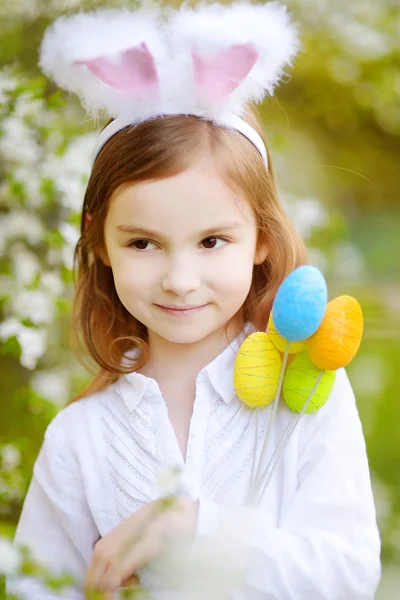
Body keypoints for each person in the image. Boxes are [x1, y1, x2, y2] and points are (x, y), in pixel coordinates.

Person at [7, 2, 381, 599]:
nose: (180, 279)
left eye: (212, 240)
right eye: (143, 243)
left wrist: (193, 527)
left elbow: (347, 575)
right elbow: (36, 585)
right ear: (100, 242)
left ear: (260, 239)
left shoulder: (307, 395)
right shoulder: (79, 437)